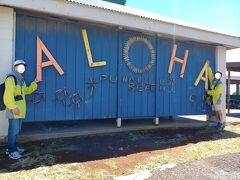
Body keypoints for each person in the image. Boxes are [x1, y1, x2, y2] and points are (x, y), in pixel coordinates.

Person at [3, 60, 38, 160]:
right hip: (14, 111)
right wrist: (13, 108)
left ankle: (12, 147)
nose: (21, 67)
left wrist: (34, 83)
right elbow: (8, 96)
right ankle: (11, 151)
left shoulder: (21, 80)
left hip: (20, 111)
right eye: (19, 66)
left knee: (16, 131)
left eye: (23, 66)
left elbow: (26, 91)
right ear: (14, 67)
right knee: (13, 131)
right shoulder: (11, 79)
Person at [207, 66, 224, 130]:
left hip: (217, 100)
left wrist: (208, 91)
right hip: (213, 100)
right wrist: (208, 66)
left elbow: (216, 92)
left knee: (219, 112)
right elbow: (210, 74)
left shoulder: (220, 84)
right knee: (216, 112)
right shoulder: (213, 80)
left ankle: (221, 123)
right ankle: (218, 123)